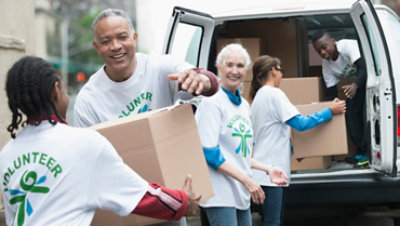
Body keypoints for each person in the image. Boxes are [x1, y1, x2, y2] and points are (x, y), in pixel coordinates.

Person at [0, 56, 200, 226]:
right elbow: (141, 197)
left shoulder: (6, 153)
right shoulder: (82, 143)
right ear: (55, 90)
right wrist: (183, 202)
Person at [73, 8, 218, 127]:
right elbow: (89, 155)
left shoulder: (159, 67)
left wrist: (201, 80)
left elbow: (210, 82)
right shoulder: (88, 100)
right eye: (106, 41)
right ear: (96, 47)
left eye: (122, 37)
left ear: (134, 39)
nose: (116, 46)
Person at [195, 44, 288, 226]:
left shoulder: (244, 106)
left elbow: (240, 154)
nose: (234, 71)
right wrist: (247, 180)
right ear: (219, 69)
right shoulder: (212, 102)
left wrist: (268, 169)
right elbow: (209, 153)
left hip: (240, 192)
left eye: (240, 66)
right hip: (220, 193)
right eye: (229, 65)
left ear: (246, 71)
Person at [249, 55, 346, 226]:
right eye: (281, 71)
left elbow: (271, 134)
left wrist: (294, 150)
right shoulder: (274, 94)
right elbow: (301, 124)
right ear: (273, 71)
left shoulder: (258, 97)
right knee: (273, 222)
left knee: (272, 221)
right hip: (271, 173)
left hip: (266, 171)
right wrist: (329, 111)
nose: (282, 76)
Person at [312, 30, 368, 167]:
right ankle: (363, 152)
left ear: (332, 42)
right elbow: (332, 93)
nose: (323, 53)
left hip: (372, 79)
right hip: (359, 86)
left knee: (367, 113)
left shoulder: (348, 46)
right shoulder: (326, 65)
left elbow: (365, 68)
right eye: (319, 51)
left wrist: (354, 85)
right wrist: (330, 109)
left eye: (324, 47)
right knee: (350, 113)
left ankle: (368, 152)